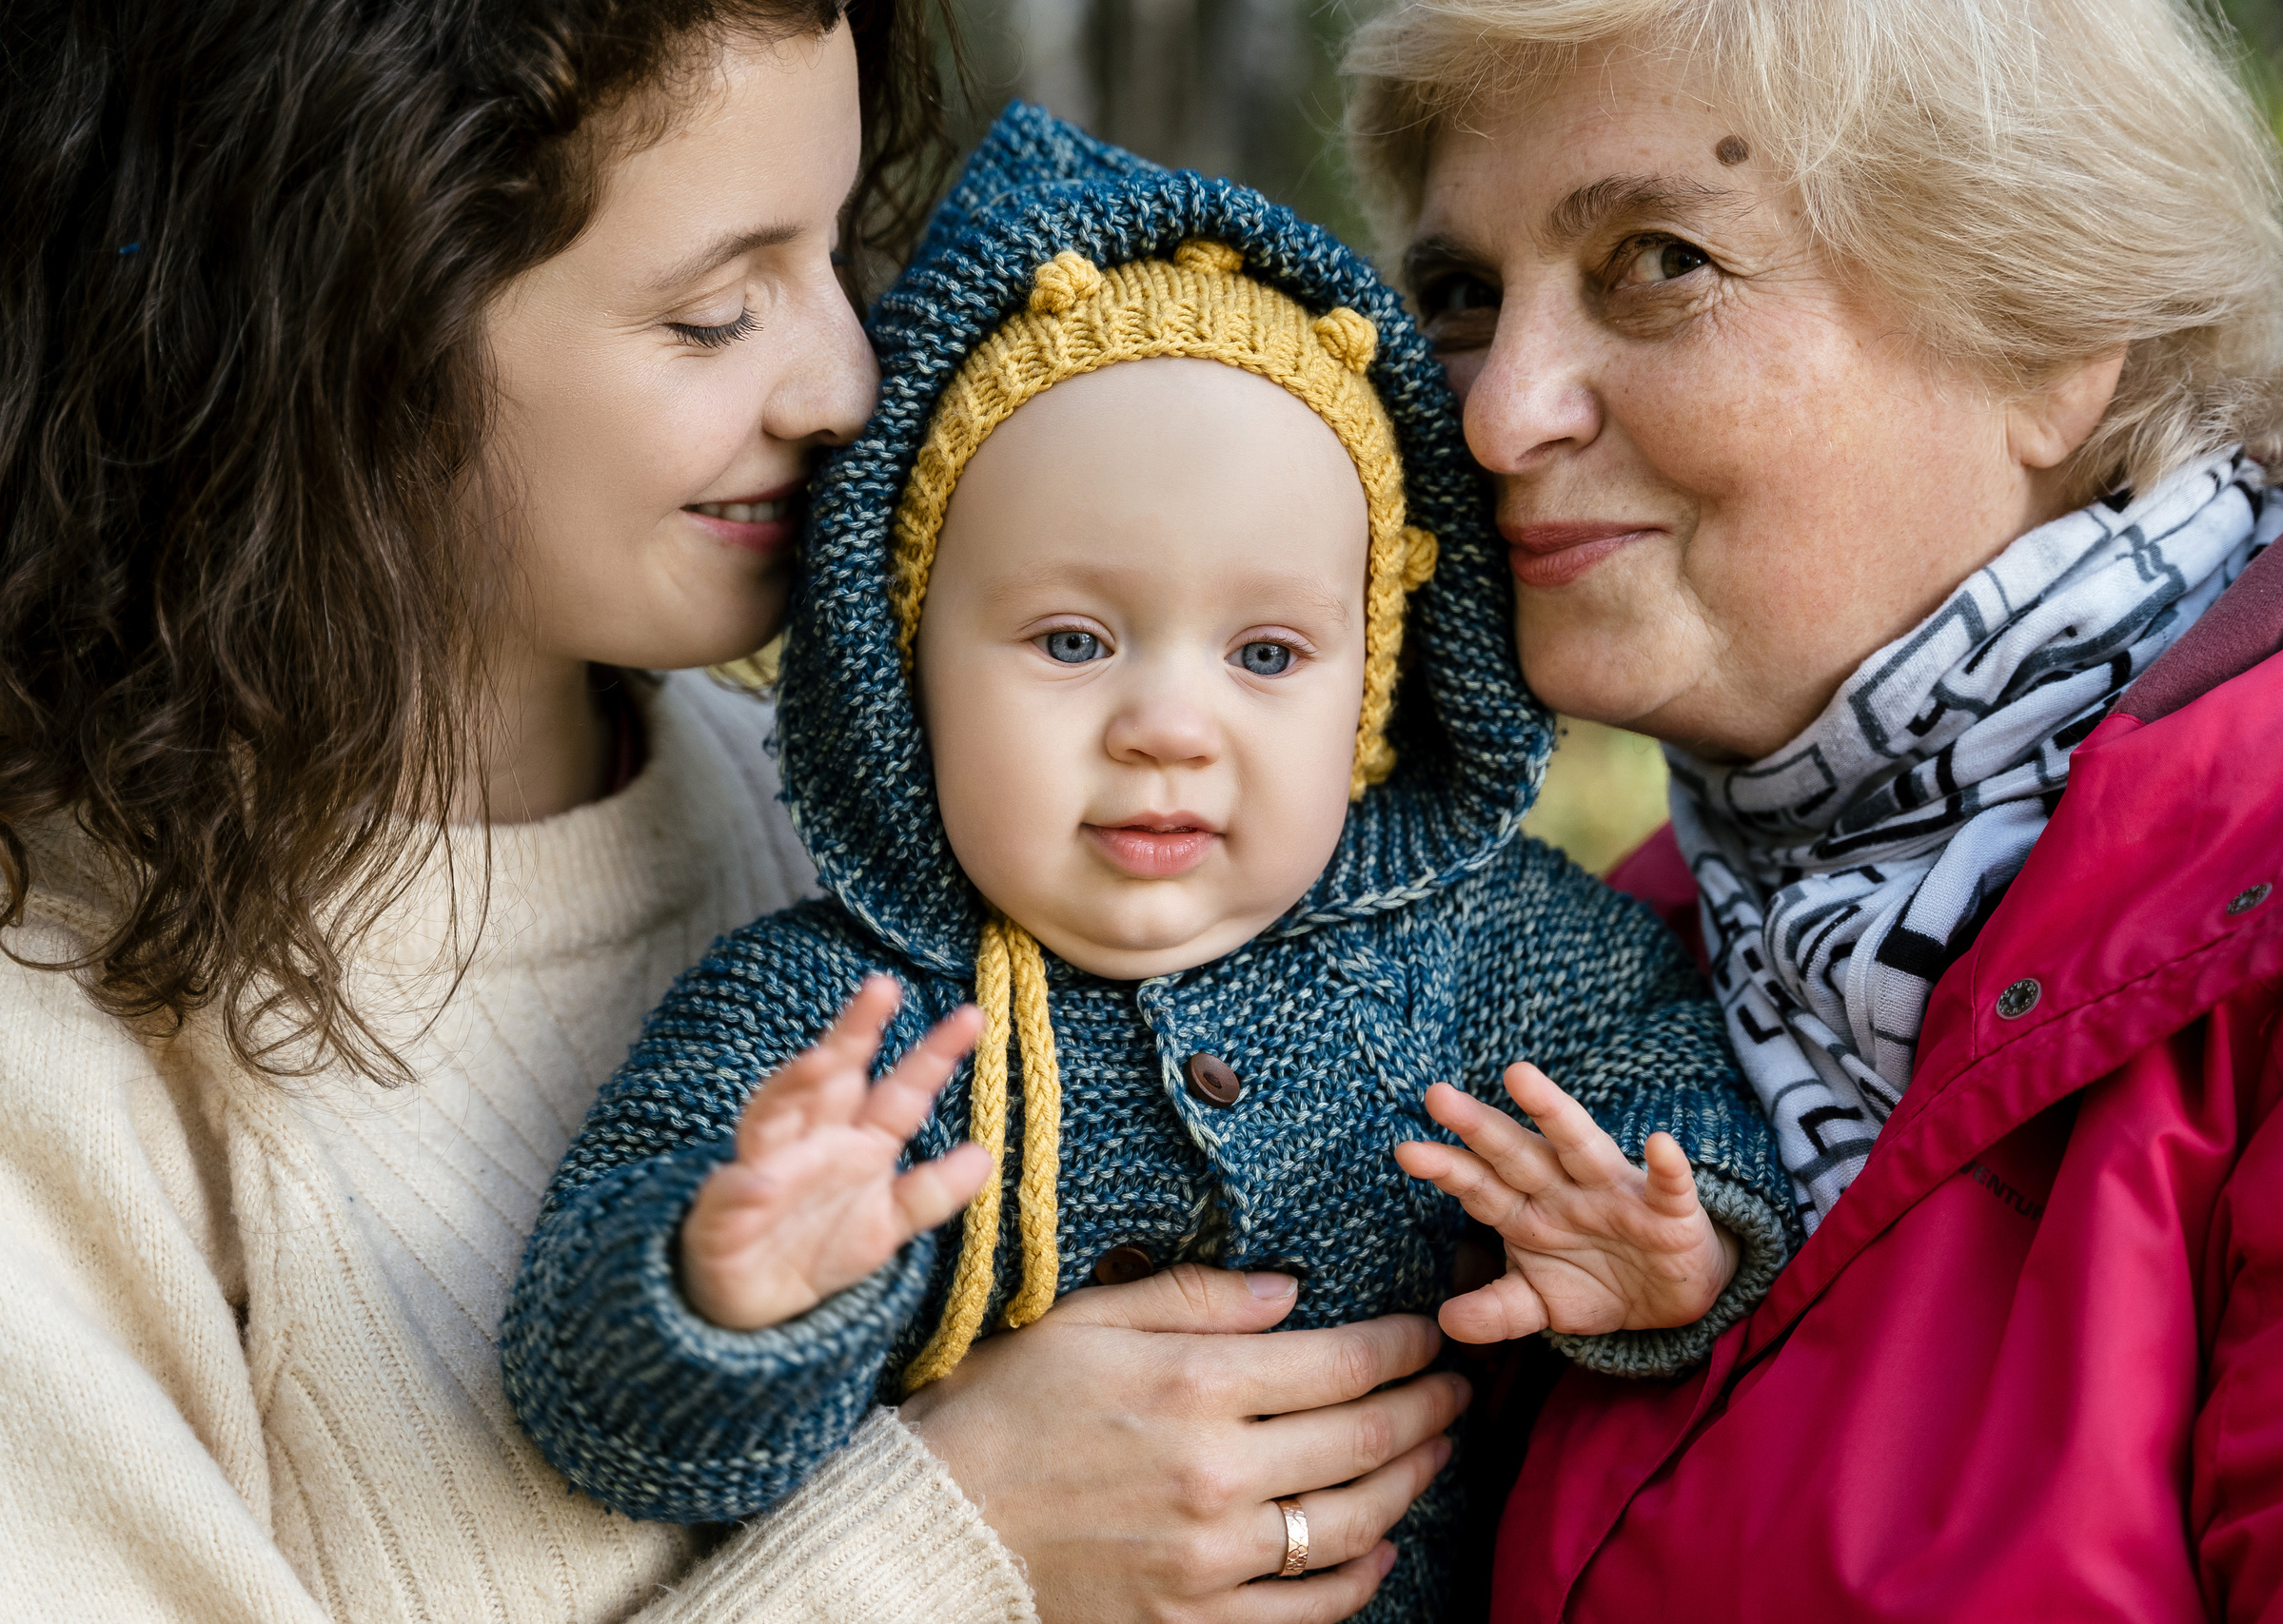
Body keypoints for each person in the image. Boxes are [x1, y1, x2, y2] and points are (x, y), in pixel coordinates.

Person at [0, 8, 1471, 1622]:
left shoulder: (905, 832)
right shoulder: (58, 1054)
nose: (848, 383)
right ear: (336, 322)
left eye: (838, 251)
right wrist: (968, 1536)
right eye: (716, 312)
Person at [500, 107, 1797, 1624]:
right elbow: (595, 1416)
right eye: (1071, 640)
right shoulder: (827, 1023)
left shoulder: (1481, 946)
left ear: (1368, 696)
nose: (1169, 728)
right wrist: (731, 1295)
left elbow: (1661, 1064)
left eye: (1266, 651)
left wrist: (1678, 1235)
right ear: (905, 671)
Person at [1341, 0, 2283, 1615]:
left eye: (1659, 261)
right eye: (1458, 295)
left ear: (2050, 326)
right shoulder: (1623, 954)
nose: (1503, 415)